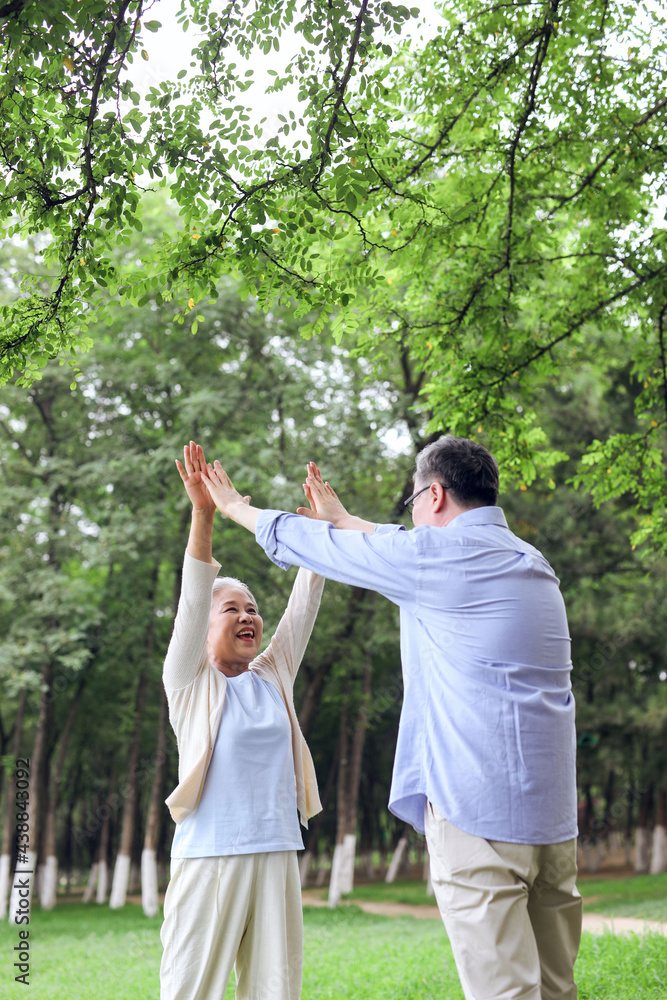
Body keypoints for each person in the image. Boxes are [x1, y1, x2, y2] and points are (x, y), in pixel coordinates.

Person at [200, 437, 582, 1000]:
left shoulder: (437, 560)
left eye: (412, 504)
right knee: (556, 988)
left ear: (435, 493)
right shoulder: (531, 562)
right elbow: (407, 547)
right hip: (552, 825)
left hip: (479, 819)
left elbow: (331, 545)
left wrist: (234, 509)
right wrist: (353, 521)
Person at [160, 441, 324, 1000]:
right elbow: (192, 597)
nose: (249, 615)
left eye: (252, 608)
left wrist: (317, 536)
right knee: (190, 990)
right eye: (232, 608)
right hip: (209, 860)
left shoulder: (271, 676)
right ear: (205, 629)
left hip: (276, 854)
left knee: (275, 992)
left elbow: (303, 603)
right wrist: (203, 515)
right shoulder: (189, 682)